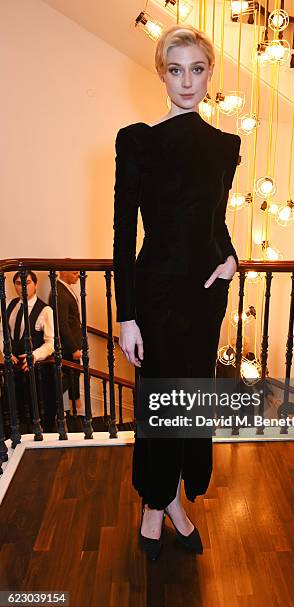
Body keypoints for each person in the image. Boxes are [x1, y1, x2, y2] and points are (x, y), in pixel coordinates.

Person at [113, 24, 241, 560]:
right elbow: (123, 233)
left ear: (210, 74)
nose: (186, 81)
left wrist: (234, 258)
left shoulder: (225, 146)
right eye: (175, 69)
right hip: (157, 299)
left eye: (196, 69)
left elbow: (215, 222)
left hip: (206, 297)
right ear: (161, 73)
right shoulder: (138, 139)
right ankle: (158, 502)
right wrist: (127, 316)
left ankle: (169, 500)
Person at [0, 270, 55, 433]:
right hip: (13, 369)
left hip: (36, 371)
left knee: (37, 413)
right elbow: (2, 332)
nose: (22, 287)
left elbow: (51, 343)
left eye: (27, 283)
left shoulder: (45, 310)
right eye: (18, 283)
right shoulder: (9, 305)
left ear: (35, 285)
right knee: (15, 411)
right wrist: (6, 353)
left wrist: (35, 356)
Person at [49, 271, 83, 416]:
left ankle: (75, 408)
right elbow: (62, 324)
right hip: (68, 346)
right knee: (69, 376)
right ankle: (52, 405)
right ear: (63, 272)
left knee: (74, 375)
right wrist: (74, 348)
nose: (78, 276)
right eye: (74, 273)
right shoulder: (59, 293)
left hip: (73, 343)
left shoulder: (64, 288)